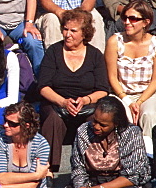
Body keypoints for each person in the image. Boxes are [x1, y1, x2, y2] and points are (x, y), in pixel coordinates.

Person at [54, 97, 150, 188]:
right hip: (89, 182)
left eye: (103, 125)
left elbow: (134, 174)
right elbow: (78, 169)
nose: (96, 126)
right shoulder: (83, 131)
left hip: (119, 183)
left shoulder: (131, 133)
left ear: (115, 123)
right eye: (95, 121)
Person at [38, 9, 110, 171]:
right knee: (52, 118)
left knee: (97, 118)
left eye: (73, 31)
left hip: (86, 104)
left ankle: (94, 167)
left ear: (84, 33)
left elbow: (103, 90)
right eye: (65, 29)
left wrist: (85, 100)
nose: (67, 34)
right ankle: (48, 169)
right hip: (57, 103)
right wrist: (63, 102)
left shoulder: (95, 55)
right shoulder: (54, 52)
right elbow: (43, 86)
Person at [105, 0, 156, 145]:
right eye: (125, 18)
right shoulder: (115, 41)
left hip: (147, 94)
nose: (127, 22)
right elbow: (112, 77)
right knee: (124, 117)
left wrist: (140, 102)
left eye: (133, 18)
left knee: (149, 115)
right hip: (121, 94)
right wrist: (128, 101)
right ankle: (125, 156)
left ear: (146, 22)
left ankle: (151, 157)